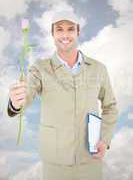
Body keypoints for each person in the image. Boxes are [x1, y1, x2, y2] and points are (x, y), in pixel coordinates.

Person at [8, 10, 118, 180]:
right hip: (55, 164)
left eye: (70, 29)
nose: (65, 35)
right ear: (52, 34)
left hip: (90, 161)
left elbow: (110, 106)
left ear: (78, 32)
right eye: (59, 29)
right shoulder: (40, 69)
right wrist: (16, 102)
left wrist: (104, 139)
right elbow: (27, 94)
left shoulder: (98, 69)